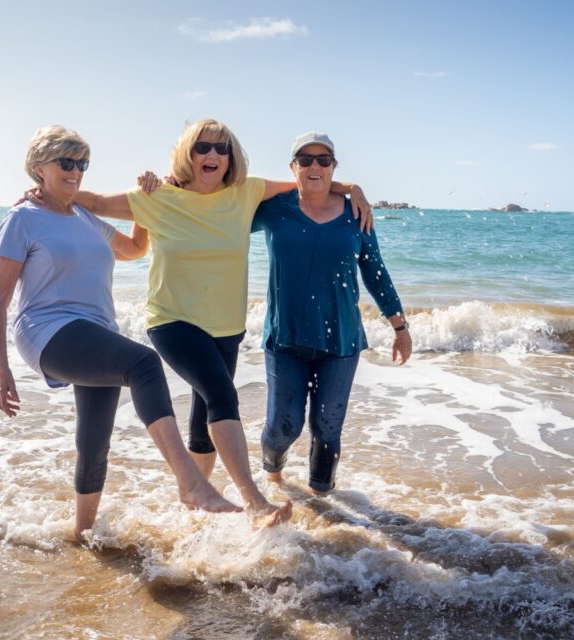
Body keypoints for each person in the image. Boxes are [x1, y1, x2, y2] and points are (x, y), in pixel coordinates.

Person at [66, 119, 373, 525]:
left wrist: (353, 189)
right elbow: (92, 202)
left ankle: (196, 514)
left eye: (221, 148)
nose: (212, 155)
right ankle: (254, 502)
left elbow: (310, 182)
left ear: (232, 158)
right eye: (203, 148)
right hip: (172, 320)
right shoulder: (156, 197)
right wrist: (44, 194)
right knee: (222, 397)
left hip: (226, 327)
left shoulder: (247, 192)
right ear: (188, 154)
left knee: (202, 420)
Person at [0, 125, 239, 540]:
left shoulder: (86, 217)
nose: (75, 171)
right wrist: (2, 369)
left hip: (95, 332)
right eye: (65, 162)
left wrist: (148, 202)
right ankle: (191, 484)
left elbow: (136, 250)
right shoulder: (23, 218)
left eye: (81, 163)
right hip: (47, 330)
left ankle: (82, 533)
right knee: (143, 362)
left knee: (95, 435)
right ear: (38, 168)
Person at [252, 131, 412, 494]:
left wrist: (399, 326)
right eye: (305, 159)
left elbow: (375, 271)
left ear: (333, 166)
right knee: (283, 427)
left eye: (323, 160)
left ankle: (323, 503)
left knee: (327, 428)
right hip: (285, 336)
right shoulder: (274, 210)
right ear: (292, 166)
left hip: (340, 340)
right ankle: (273, 475)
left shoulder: (356, 214)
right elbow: (221, 219)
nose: (314, 166)